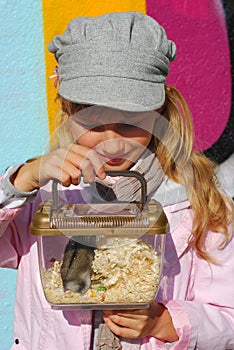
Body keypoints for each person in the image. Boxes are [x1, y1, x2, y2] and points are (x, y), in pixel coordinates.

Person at [0, 12, 233, 350]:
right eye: (93, 122)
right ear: (66, 109)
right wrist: (25, 178)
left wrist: (170, 322)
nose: (112, 140)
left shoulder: (202, 206)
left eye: (129, 123)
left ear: (159, 116)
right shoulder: (43, 198)